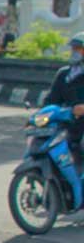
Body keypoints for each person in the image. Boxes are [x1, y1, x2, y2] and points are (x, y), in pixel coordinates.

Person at [45, 32, 84, 167]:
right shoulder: (64, 74)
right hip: (67, 123)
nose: (74, 52)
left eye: (78, 48)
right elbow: (51, 101)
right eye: (73, 48)